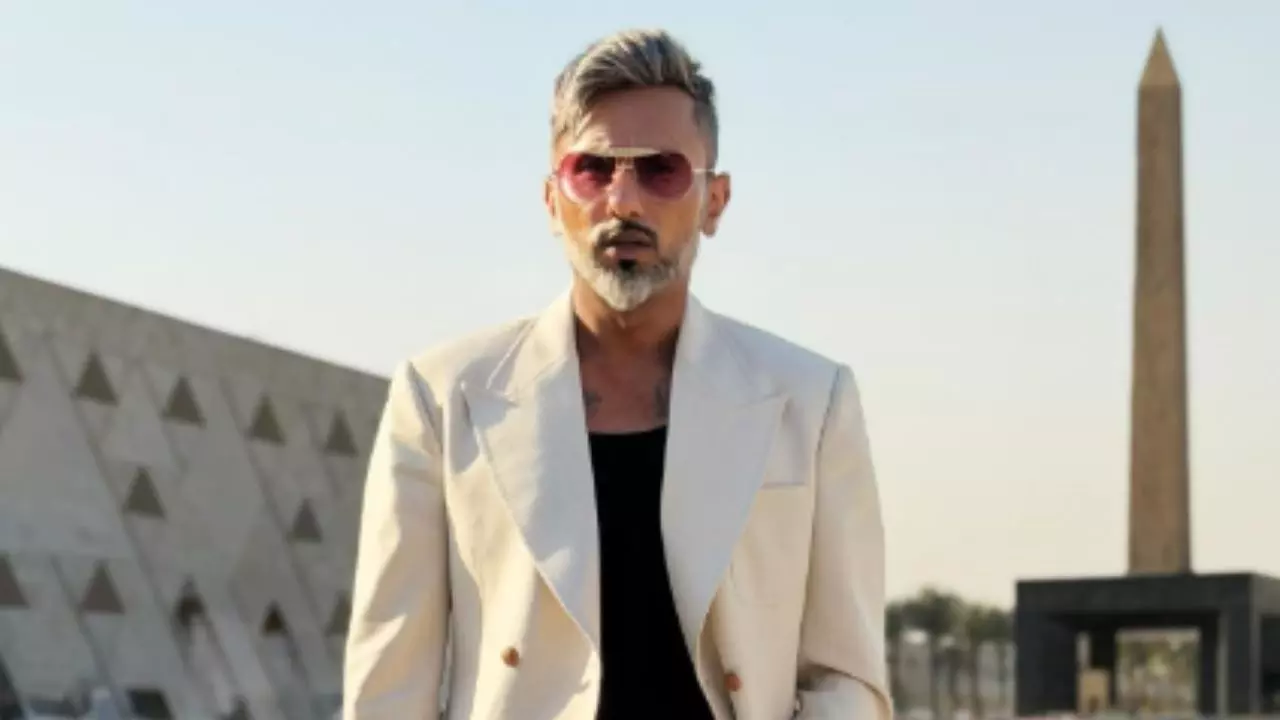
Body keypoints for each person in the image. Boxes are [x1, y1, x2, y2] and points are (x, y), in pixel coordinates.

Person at [342, 28, 890, 720]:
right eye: (592, 170)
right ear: (552, 201)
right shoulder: (443, 397)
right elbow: (389, 690)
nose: (623, 201)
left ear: (714, 201)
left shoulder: (809, 401)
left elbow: (848, 676)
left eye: (661, 170)